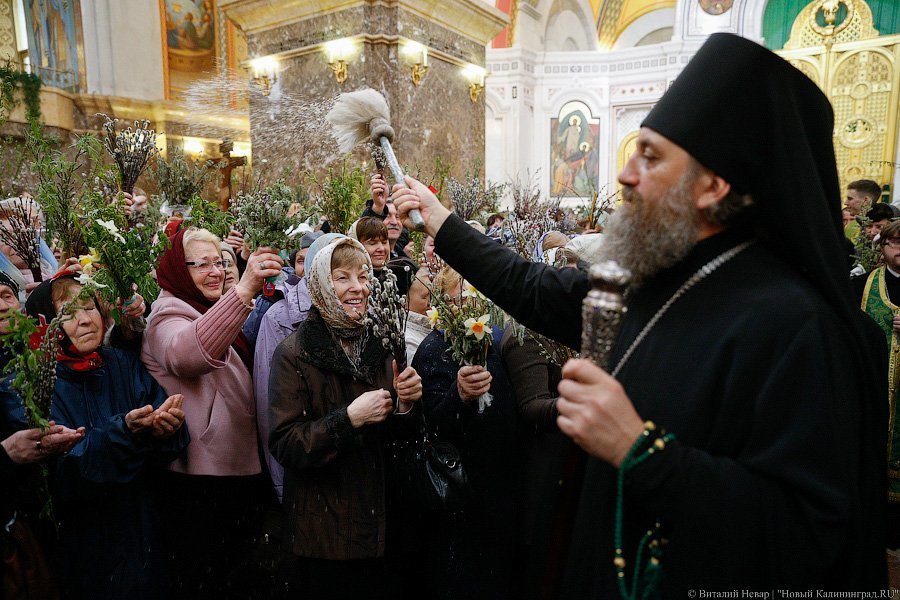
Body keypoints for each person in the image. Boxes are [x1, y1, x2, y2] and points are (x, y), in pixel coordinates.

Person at [393, 32, 885, 594]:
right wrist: (441, 220)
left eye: (650, 156)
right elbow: (532, 287)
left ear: (713, 185)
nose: (625, 174)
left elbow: (812, 534)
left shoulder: (798, 326)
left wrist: (639, 450)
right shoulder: (657, 281)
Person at [11, 275, 189, 600]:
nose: (84, 320)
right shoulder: (34, 384)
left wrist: (169, 429)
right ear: (44, 323)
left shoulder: (121, 363)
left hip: (139, 535)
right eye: (68, 313)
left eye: (90, 307)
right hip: (78, 548)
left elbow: (163, 433)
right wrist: (124, 431)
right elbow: (63, 475)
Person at [268, 237, 422, 599]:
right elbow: (286, 442)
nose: (358, 288)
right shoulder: (293, 353)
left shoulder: (381, 342)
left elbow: (400, 437)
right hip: (324, 533)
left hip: (381, 525)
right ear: (320, 284)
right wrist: (348, 420)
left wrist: (407, 404)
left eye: (364, 275)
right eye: (342, 278)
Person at [140, 226, 283, 599]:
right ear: (177, 270)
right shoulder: (166, 315)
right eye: (200, 264)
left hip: (238, 472)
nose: (215, 272)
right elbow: (188, 355)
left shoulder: (212, 308)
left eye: (219, 262)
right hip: (198, 481)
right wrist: (245, 289)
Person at [411, 267, 519, 600]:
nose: (470, 300)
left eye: (475, 292)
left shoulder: (490, 338)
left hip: (498, 491)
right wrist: (459, 396)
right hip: (459, 497)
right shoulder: (432, 350)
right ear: (444, 301)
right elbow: (432, 426)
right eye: (462, 292)